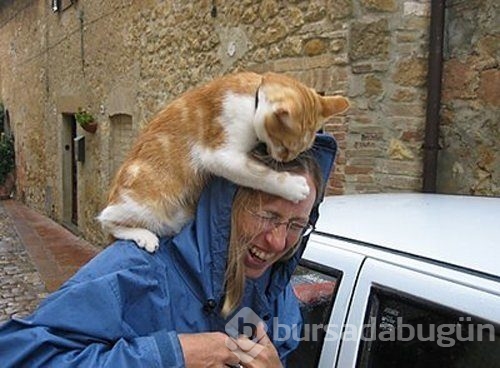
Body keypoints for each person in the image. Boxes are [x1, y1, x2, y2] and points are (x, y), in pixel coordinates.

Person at [0, 134, 337, 367]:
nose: (278, 242)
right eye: (267, 216)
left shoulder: (274, 292)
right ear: (226, 203)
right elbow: (17, 356)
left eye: (296, 225)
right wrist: (171, 355)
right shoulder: (135, 270)